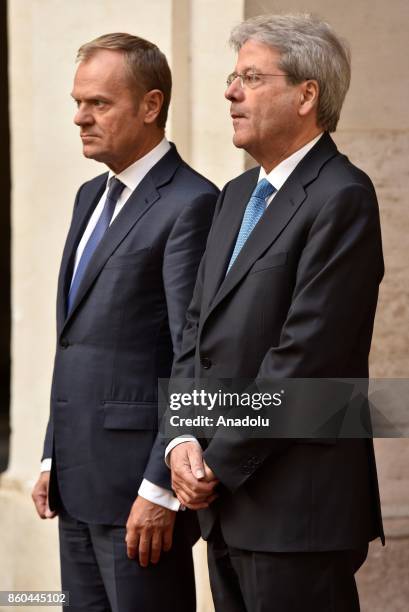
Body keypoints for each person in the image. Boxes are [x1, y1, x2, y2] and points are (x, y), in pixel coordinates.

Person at [167, 14, 384, 612]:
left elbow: (305, 356)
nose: (230, 92)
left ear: (306, 95)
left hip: (297, 514)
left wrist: (217, 462)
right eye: (232, 77)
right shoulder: (236, 196)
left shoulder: (343, 195)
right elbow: (196, 332)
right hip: (224, 508)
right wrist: (182, 437)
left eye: (251, 78)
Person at [31, 33, 219, 612]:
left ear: (151, 105)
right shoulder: (90, 196)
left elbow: (195, 353)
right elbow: (77, 341)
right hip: (76, 483)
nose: (80, 118)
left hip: (140, 497)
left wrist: (161, 488)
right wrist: (50, 456)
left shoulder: (191, 202)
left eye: (98, 104)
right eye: (78, 102)